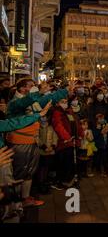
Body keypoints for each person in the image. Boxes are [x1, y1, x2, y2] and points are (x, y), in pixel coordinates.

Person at [6, 79, 70, 207]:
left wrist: (65, 91)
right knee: (20, 172)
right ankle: (15, 202)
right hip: (20, 142)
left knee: (29, 171)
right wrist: (39, 92)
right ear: (22, 88)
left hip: (31, 141)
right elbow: (23, 103)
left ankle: (25, 198)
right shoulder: (14, 103)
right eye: (31, 86)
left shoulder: (31, 101)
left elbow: (46, 100)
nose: (33, 88)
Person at [51, 98, 83, 190]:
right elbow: (58, 126)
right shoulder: (56, 113)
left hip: (73, 141)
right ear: (57, 103)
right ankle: (61, 181)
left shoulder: (69, 112)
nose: (64, 104)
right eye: (62, 102)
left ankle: (69, 180)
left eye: (65, 102)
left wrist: (80, 133)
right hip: (64, 142)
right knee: (63, 163)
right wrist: (67, 137)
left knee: (70, 162)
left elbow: (77, 123)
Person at [35, 114, 58, 194]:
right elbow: (37, 138)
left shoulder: (50, 127)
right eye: (42, 117)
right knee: (41, 168)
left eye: (45, 116)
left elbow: (55, 137)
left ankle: (45, 182)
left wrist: (53, 146)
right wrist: (44, 147)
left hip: (50, 152)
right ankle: (41, 185)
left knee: (47, 168)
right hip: (41, 152)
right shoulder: (37, 128)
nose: (44, 118)